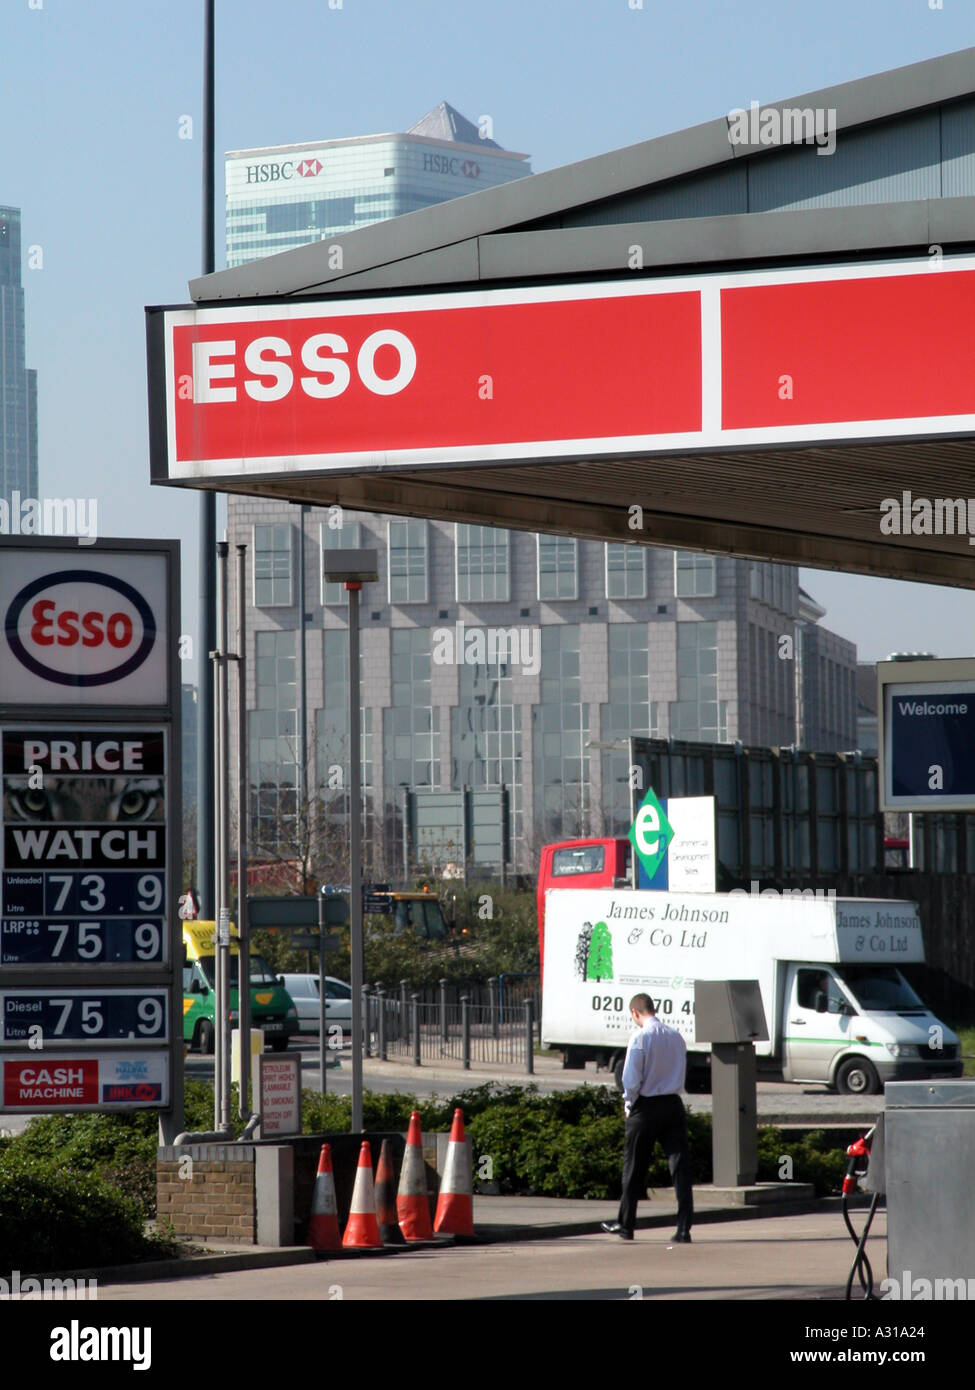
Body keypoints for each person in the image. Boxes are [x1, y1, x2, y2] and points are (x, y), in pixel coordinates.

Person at [601, 993, 694, 1243]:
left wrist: (629, 1104)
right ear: (654, 1009)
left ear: (635, 1013)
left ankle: (626, 1224)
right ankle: (684, 1227)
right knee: (680, 1167)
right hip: (673, 1105)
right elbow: (681, 1071)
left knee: (634, 1167)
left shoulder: (640, 1037)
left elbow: (631, 1077)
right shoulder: (676, 1037)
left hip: (646, 1106)